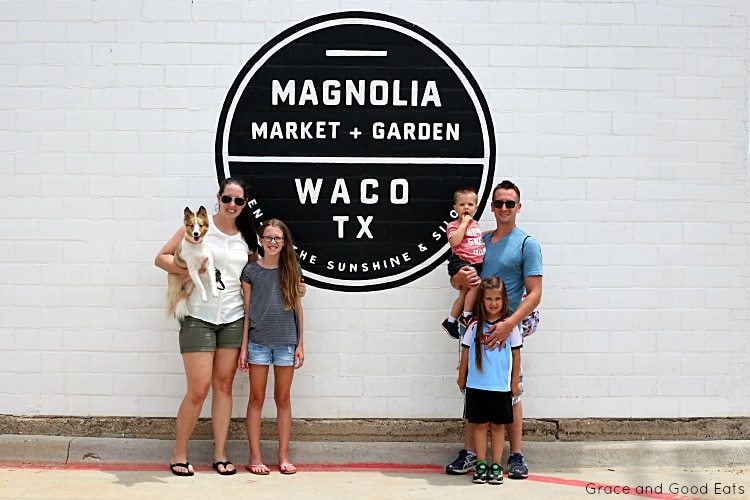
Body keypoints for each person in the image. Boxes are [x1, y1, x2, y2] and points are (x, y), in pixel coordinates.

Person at [155, 177, 258, 477]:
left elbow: (257, 274)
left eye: (239, 201)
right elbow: (161, 258)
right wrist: (187, 269)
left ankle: (221, 454)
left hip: (232, 318)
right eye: (228, 198)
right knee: (198, 389)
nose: (232, 205)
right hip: (198, 316)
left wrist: (293, 284)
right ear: (219, 198)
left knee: (224, 388)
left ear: (244, 204)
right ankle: (179, 453)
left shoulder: (246, 237)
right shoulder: (201, 228)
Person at [446, 179, 543, 480]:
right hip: (477, 329)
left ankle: (516, 456)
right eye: (498, 203)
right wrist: (458, 278)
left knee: (509, 394)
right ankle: (471, 454)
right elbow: (460, 281)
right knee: (474, 392)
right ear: (491, 207)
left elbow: (536, 292)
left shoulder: (527, 244)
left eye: (509, 203)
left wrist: (508, 325)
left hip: (506, 330)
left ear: (518, 207)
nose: (503, 208)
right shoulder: (480, 240)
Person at [239, 218, 304, 476]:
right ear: (260, 240)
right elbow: (246, 312)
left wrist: (300, 343)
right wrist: (243, 348)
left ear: (285, 242)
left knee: (283, 399)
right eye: (268, 237)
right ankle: (255, 457)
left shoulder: (292, 269)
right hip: (258, 343)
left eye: (278, 238)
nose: (273, 242)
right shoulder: (251, 272)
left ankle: (283, 456)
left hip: (286, 343)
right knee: (256, 398)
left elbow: (298, 308)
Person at [457, 277, 522, 485]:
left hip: (500, 386)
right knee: (479, 425)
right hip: (476, 386)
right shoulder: (475, 326)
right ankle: (482, 463)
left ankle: (496, 464)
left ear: (503, 300)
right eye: (488, 299)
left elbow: (517, 355)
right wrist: (461, 377)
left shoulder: (509, 327)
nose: (493, 303)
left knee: (496, 426)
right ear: (481, 301)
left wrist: (513, 383)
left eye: (497, 299)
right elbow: (465, 353)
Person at [441, 187, 486, 339]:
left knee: (464, 293)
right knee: (475, 283)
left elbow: (476, 239)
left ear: (476, 208)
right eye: (462, 205)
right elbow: (455, 242)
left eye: (470, 204)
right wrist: (463, 224)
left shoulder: (476, 225)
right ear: (455, 208)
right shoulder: (454, 225)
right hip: (460, 261)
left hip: (475, 263)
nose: (466, 207)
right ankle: (466, 316)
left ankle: (451, 320)